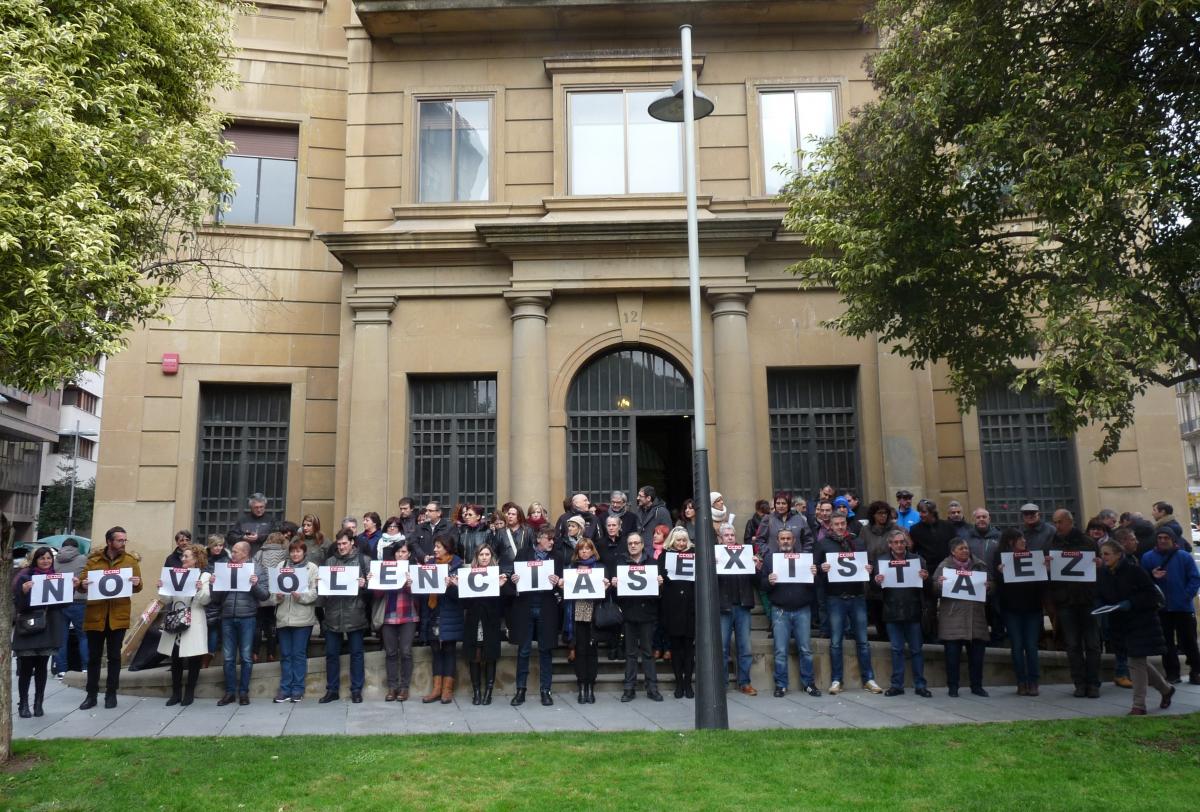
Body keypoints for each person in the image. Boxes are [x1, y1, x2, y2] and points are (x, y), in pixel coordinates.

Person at [1096, 539, 1175, 715]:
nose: (1103, 557)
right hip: (1120, 623)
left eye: (1107, 554)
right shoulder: (1103, 573)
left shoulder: (1134, 570)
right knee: (1138, 662)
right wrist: (1100, 603)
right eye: (1102, 554)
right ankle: (1166, 690)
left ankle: (1139, 705)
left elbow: (1151, 595)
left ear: (1118, 554)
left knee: (1135, 661)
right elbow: (1101, 593)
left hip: (1141, 621)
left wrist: (1130, 603)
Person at [79, 526, 143, 710]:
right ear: (109, 542)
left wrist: (137, 584)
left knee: (114, 657)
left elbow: (138, 587)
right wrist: (83, 584)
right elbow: (82, 584)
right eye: (120, 540)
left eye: (125, 540)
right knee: (94, 657)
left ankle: (111, 694)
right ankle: (91, 695)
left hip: (118, 616)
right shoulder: (94, 560)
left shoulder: (130, 561)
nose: (123, 543)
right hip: (96, 616)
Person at [818, 514, 882, 694]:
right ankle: (836, 679)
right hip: (835, 598)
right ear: (830, 526)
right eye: (836, 524)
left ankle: (869, 678)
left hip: (857, 596)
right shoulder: (824, 544)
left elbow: (867, 565)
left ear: (846, 524)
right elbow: (815, 570)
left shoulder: (858, 542)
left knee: (863, 640)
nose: (839, 526)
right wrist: (822, 569)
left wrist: (869, 569)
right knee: (836, 641)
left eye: (842, 523)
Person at [12, 547, 72, 718]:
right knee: (25, 669)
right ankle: (23, 703)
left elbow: (64, 604)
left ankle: (39, 703)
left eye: (48, 558)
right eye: (42, 558)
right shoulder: (25, 577)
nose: (46, 561)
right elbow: (20, 606)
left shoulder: (58, 578)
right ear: (35, 560)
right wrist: (23, 592)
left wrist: (71, 588)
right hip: (28, 628)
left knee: (41, 668)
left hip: (48, 629)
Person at [761, 528, 820, 697]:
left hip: (802, 610)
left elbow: (815, 586)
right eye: (782, 539)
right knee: (780, 650)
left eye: (788, 538)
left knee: (806, 649)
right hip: (780, 611)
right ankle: (781, 685)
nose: (785, 541)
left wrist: (815, 575)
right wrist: (769, 581)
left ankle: (808, 684)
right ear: (777, 541)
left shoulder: (805, 559)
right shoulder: (770, 559)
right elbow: (762, 586)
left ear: (794, 541)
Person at [1049, 509, 1101, 697]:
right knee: (1072, 645)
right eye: (1054, 522)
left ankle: (1093, 683)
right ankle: (1079, 683)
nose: (1057, 526)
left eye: (1059, 522)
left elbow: (1097, 570)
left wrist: (1098, 565)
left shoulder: (1088, 542)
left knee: (1093, 644)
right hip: (1065, 602)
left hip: (1087, 600)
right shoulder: (1053, 543)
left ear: (1070, 522)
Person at [508, 526, 563, 706]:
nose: (552, 542)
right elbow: (513, 579)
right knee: (523, 650)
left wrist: (558, 581)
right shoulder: (523, 554)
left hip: (546, 607)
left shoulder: (557, 557)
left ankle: (545, 690)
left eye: (553, 539)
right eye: (549, 539)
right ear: (539, 538)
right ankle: (520, 690)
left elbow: (563, 582)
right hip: (526, 606)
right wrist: (514, 580)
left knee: (545, 650)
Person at [874, 529, 931, 697]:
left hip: (913, 609)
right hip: (892, 610)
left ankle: (920, 684)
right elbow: (874, 589)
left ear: (906, 543)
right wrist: (876, 581)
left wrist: (925, 578)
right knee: (896, 649)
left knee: (916, 650)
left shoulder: (917, 560)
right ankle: (897, 685)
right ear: (890, 544)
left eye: (902, 542)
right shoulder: (882, 561)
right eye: (896, 542)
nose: (899, 545)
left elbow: (927, 589)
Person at [607, 532, 664, 702]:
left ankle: (652, 687)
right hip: (629, 614)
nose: (633, 545)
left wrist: (660, 585)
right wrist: (614, 586)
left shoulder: (652, 563)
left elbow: (659, 595)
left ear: (641, 545)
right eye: (630, 543)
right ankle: (629, 688)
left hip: (647, 614)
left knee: (647, 652)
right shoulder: (621, 563)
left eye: (636, 543)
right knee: (630, 653)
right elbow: (616, 596)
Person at [1141, 526, 1200, 685]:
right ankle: (1172, 673)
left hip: (1183, 607)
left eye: (1166, 538)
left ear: (1173, 539)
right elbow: (1142, 581)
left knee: (1189, 641)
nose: (1162, 541)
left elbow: (1195, 578)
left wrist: (1186, 596)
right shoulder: (1148, 558)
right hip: (1162, 607)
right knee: (1166, 643)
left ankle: (1196, 670)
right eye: (1159, 538)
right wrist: (1152, 577)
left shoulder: (1184, 557)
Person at [156, 543, 211, 706]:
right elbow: (166, 599)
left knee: (194, 658)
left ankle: (189, 692)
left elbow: (205, 600)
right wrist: (161, 588)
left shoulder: (204, 576)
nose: (182, 558)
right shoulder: (176, 574)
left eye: (186, 556)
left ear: (196, 559)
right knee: (175, 657)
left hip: (194, 619)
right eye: (183, 556)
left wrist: (199, 589)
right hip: (176, 617)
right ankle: (176, 693)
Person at [318, 528, 370, 703]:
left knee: (356, 654)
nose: (341, 547)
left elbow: (374, 589)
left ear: (352, 542)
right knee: (331, 654)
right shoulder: (329, 562)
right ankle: (332, 690)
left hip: (355, 613)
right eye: (339, 544)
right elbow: (322, 593)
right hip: (333, 614)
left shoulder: (363, 561)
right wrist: (320, 584)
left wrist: (365, 584)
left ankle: (356, 690)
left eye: (344, 543)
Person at [214, 540, 268, 706]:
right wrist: (213, 585)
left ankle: (244, 692)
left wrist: (254, 584)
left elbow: (265, 595)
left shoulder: (258, 568)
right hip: (228, 616)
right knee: (228, 657)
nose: (233, 554)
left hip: (248, 616)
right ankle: (230, 692)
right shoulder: (225, 567)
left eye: (236, 551)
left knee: (246, 656)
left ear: (245, 553)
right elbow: (216, 599)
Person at [935, 538, 990, 697]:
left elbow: (992, 585)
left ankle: (977, 686)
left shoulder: (980, 565)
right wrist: (939, 584)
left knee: (977, 657)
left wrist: (989, 586)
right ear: (953, 552)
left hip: (976, 618)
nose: (965, 551)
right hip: (953, 619)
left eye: (966, 548)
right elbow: (933, 588)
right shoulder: (944, 567)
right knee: (952, 658)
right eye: (961, 548)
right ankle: (953, 687)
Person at [995, 528, 1045, 696]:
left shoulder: (1033, 556)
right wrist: (1000, 574)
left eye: (1024, 538)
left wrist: (1045, 568)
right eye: (1020, 539)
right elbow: (998, 587)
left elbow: (1041, 584)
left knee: (1031, 646)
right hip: (1011, 609)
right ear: (1011, 541)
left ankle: (1033, 681)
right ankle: (1021, 681)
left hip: (1032, 608)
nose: (1024, 541)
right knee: (1017, 646)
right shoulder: (1001, 558)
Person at [370, 539, 419, 702]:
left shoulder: (414, 569)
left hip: (409, 614)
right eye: (398, 551)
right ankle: (392, 687)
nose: (401, 554)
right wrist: (373, 581)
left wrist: (411, 585)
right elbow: (376, 595)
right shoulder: (384, 568)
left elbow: (421, 595)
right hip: (388, 615)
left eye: (404, 552)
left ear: (409, 554)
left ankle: (404, 688)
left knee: (405, 651)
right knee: (390, 652)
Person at [463, 544, 509, 705]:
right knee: (474, 656)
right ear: (477, 556)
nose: (484, 557)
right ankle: (476, 692)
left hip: (491, 621)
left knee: (490, 656)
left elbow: (504, 602)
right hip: (474, 620)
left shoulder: (498, 574)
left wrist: (501, 587)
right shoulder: (468, 574)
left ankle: (488, 692)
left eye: (487, 554)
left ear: (491, 556)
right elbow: (464, 602)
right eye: (481, 554)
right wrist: (456, 586)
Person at [274, 539, 319, 702]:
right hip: (283, 618)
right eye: (293, 551)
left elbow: (315, 593)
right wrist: (277, 596)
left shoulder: (312, 568)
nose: (295, 554)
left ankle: (297, 689)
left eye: (298, 551)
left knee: (298, 654)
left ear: (304, 552)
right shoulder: (281, 566)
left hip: (302, 619)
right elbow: (273, 593)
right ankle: (285, 689)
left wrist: (301, 597)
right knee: (285, 655)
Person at [421, 535, 464, 704]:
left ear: (447, 547)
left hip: (450, 615)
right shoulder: (430, 566)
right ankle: (436, 689)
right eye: (435, 546)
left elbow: (461, 597)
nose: (435, 550)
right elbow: (423, 594)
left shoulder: (457, 566)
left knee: (449, 652)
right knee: (435, 653)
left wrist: (452, 586)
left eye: (438, 546)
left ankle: (447, 690)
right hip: (433, 614)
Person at [717, 524, 759, 695]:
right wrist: (712, 566)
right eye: (726, 535)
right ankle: (722, 683)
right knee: (722, 648)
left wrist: (756, 567)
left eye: (732, 535)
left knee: (745, 647)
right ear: (720, 538)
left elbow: (758, 583)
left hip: (743, 606)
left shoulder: (745, 554)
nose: (729, 538)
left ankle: (745, 682)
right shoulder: (716, 555)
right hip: (724, 607)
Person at [658, 527, 696, 698]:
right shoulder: (664, 556)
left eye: (683, 540)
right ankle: (678, 683)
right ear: (672, 541)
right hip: (672, 608)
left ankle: (688, 683)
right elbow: (660, 576)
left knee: (689, 649)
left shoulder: (695, 555)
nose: (681, 543)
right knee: (676, 648)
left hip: (690, 608)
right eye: (678, 540)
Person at [567, 538, 603, 703]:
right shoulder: (571, 568)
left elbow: (606, 594)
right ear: (577, 552)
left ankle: (591, 685)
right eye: (581, 549)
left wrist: (607, 585)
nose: (584, 552)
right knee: (580, 651)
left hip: (594, 615)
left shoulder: (600, 568)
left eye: (587, 549)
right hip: (577, 615)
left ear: (592, 550)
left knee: (592, 652)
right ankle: (581, 685)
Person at [51, 537, 88, 679]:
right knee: (83, 636)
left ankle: (61, 671)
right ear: (76, 547)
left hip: (60, 600)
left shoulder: (55, 561)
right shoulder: (83, 559)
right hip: (79, 600)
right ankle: (85, 668)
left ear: (63, 547)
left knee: (61, 637)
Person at [861, 500, 897, 639]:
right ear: (873, 515)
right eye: (880, 513)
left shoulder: (895, 529)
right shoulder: (865, 530)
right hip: (872, 576)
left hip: (891, 575)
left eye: (885, 513)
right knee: (876, 611)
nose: (883, 516)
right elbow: (861, 550)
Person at [253, 531, 288, 662]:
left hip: (261, 592)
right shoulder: (285, 554)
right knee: (272, 624)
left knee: (258, 624)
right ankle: (271, 654)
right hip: (275, 593)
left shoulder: (260, 553)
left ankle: (255, 653)